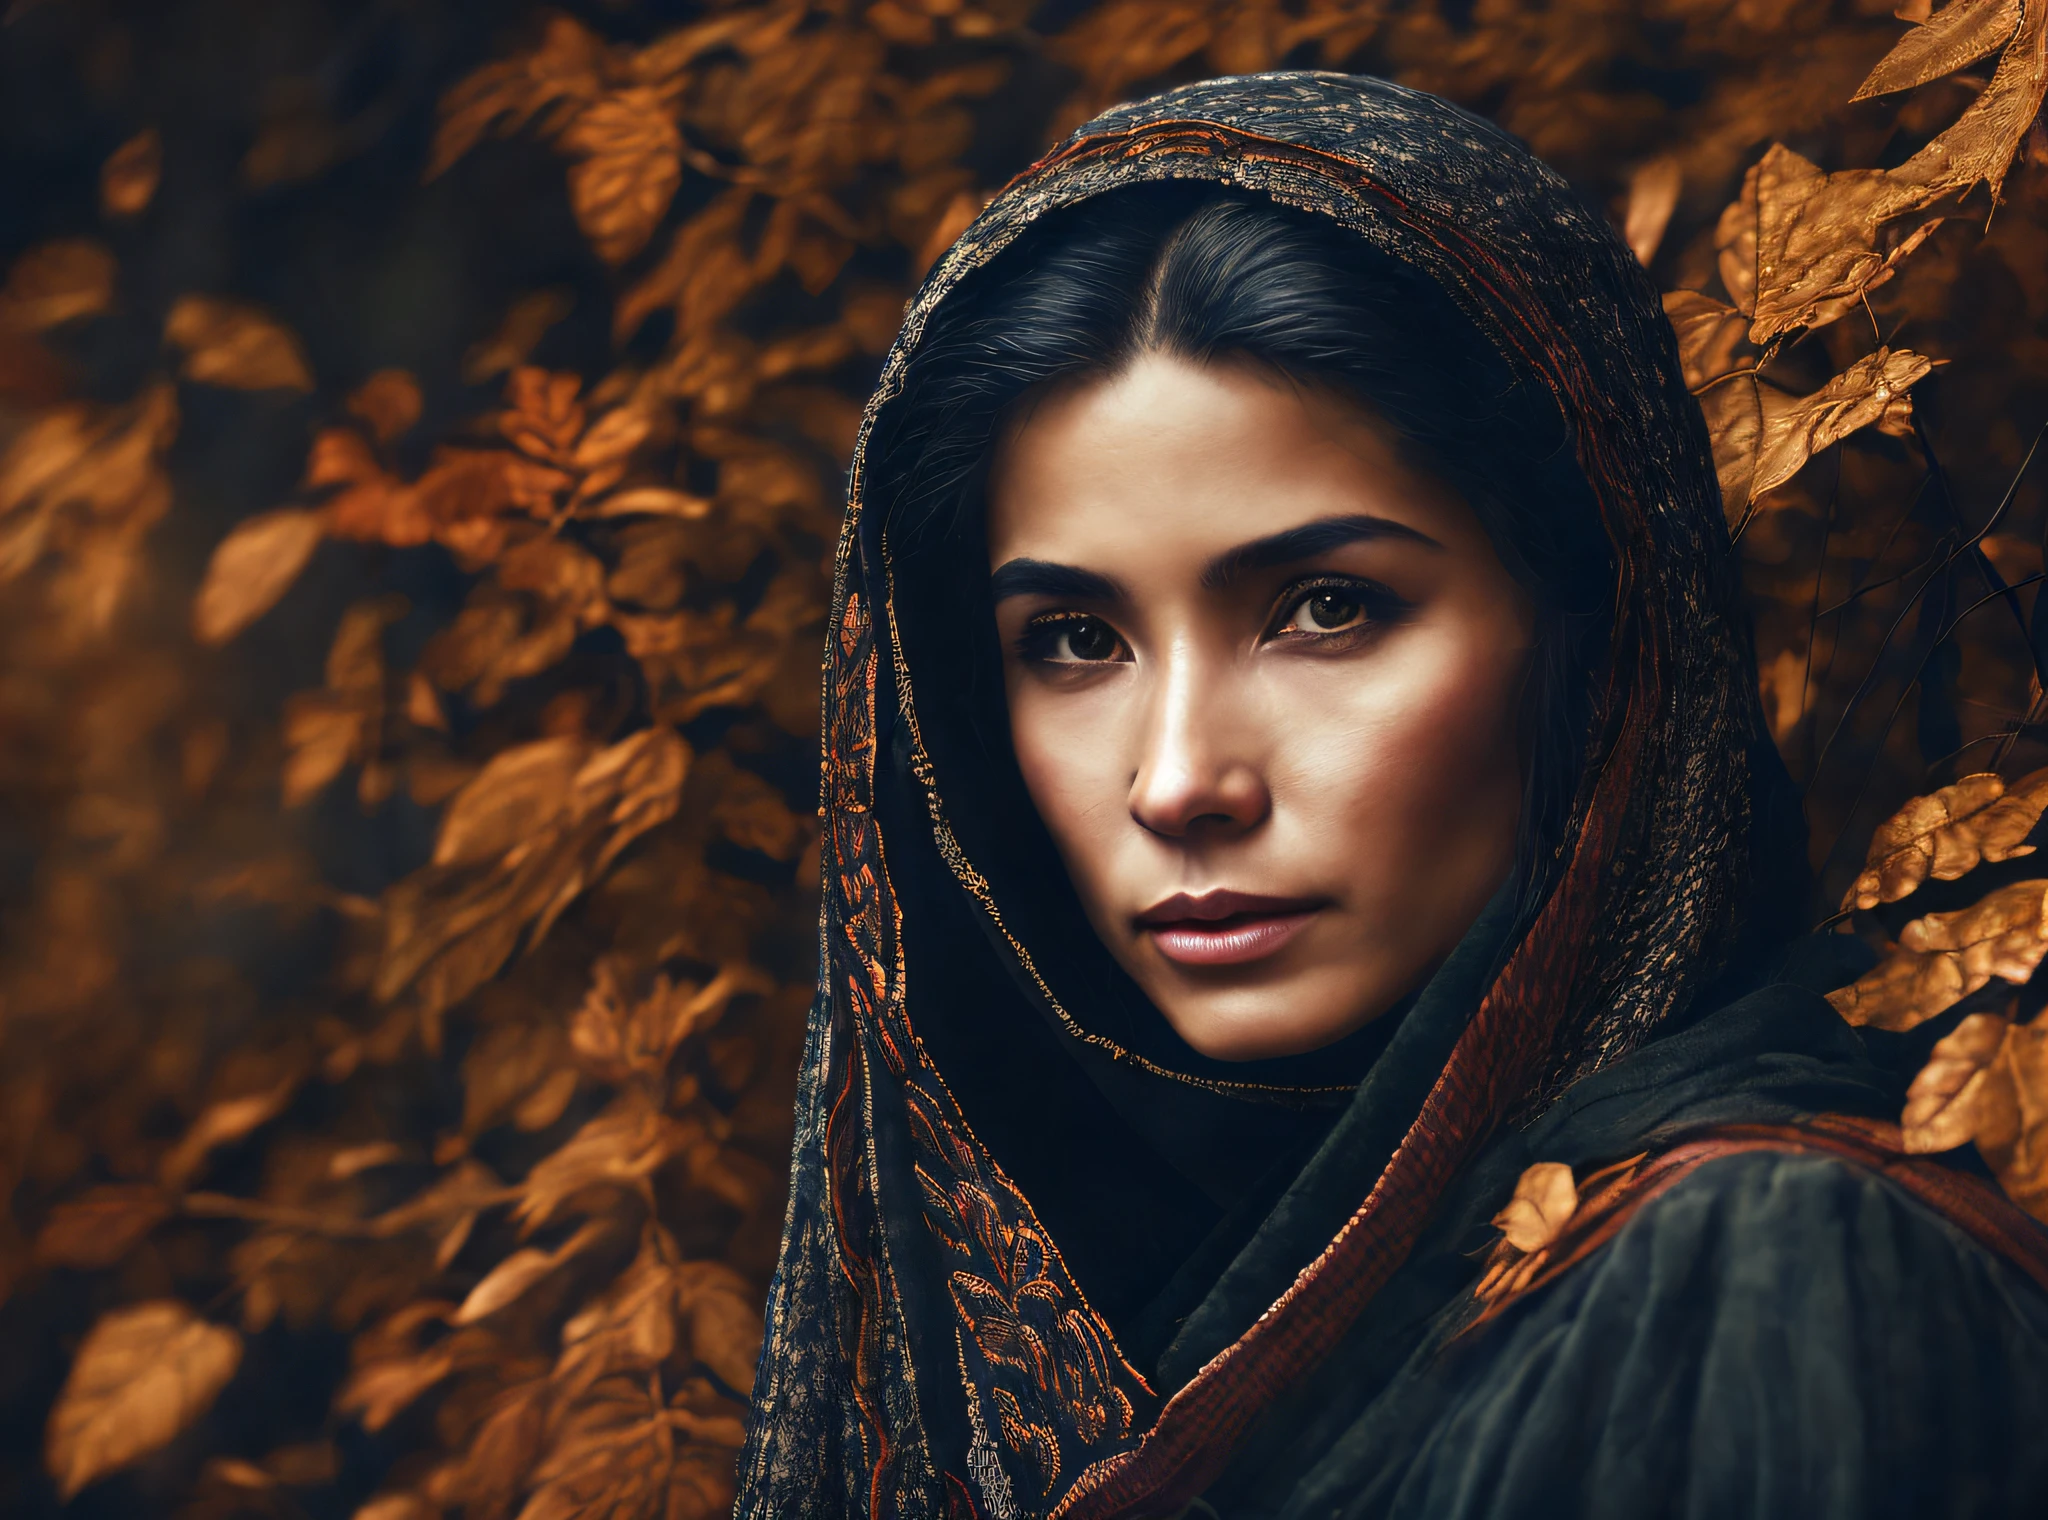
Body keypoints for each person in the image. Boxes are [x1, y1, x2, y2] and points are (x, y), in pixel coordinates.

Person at [734, 73, 2048, 1520]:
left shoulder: (1767, 1277)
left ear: (1595, 631)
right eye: (1075, 641)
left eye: (1325, 609)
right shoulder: (1112, 1328)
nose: (1178, 783)